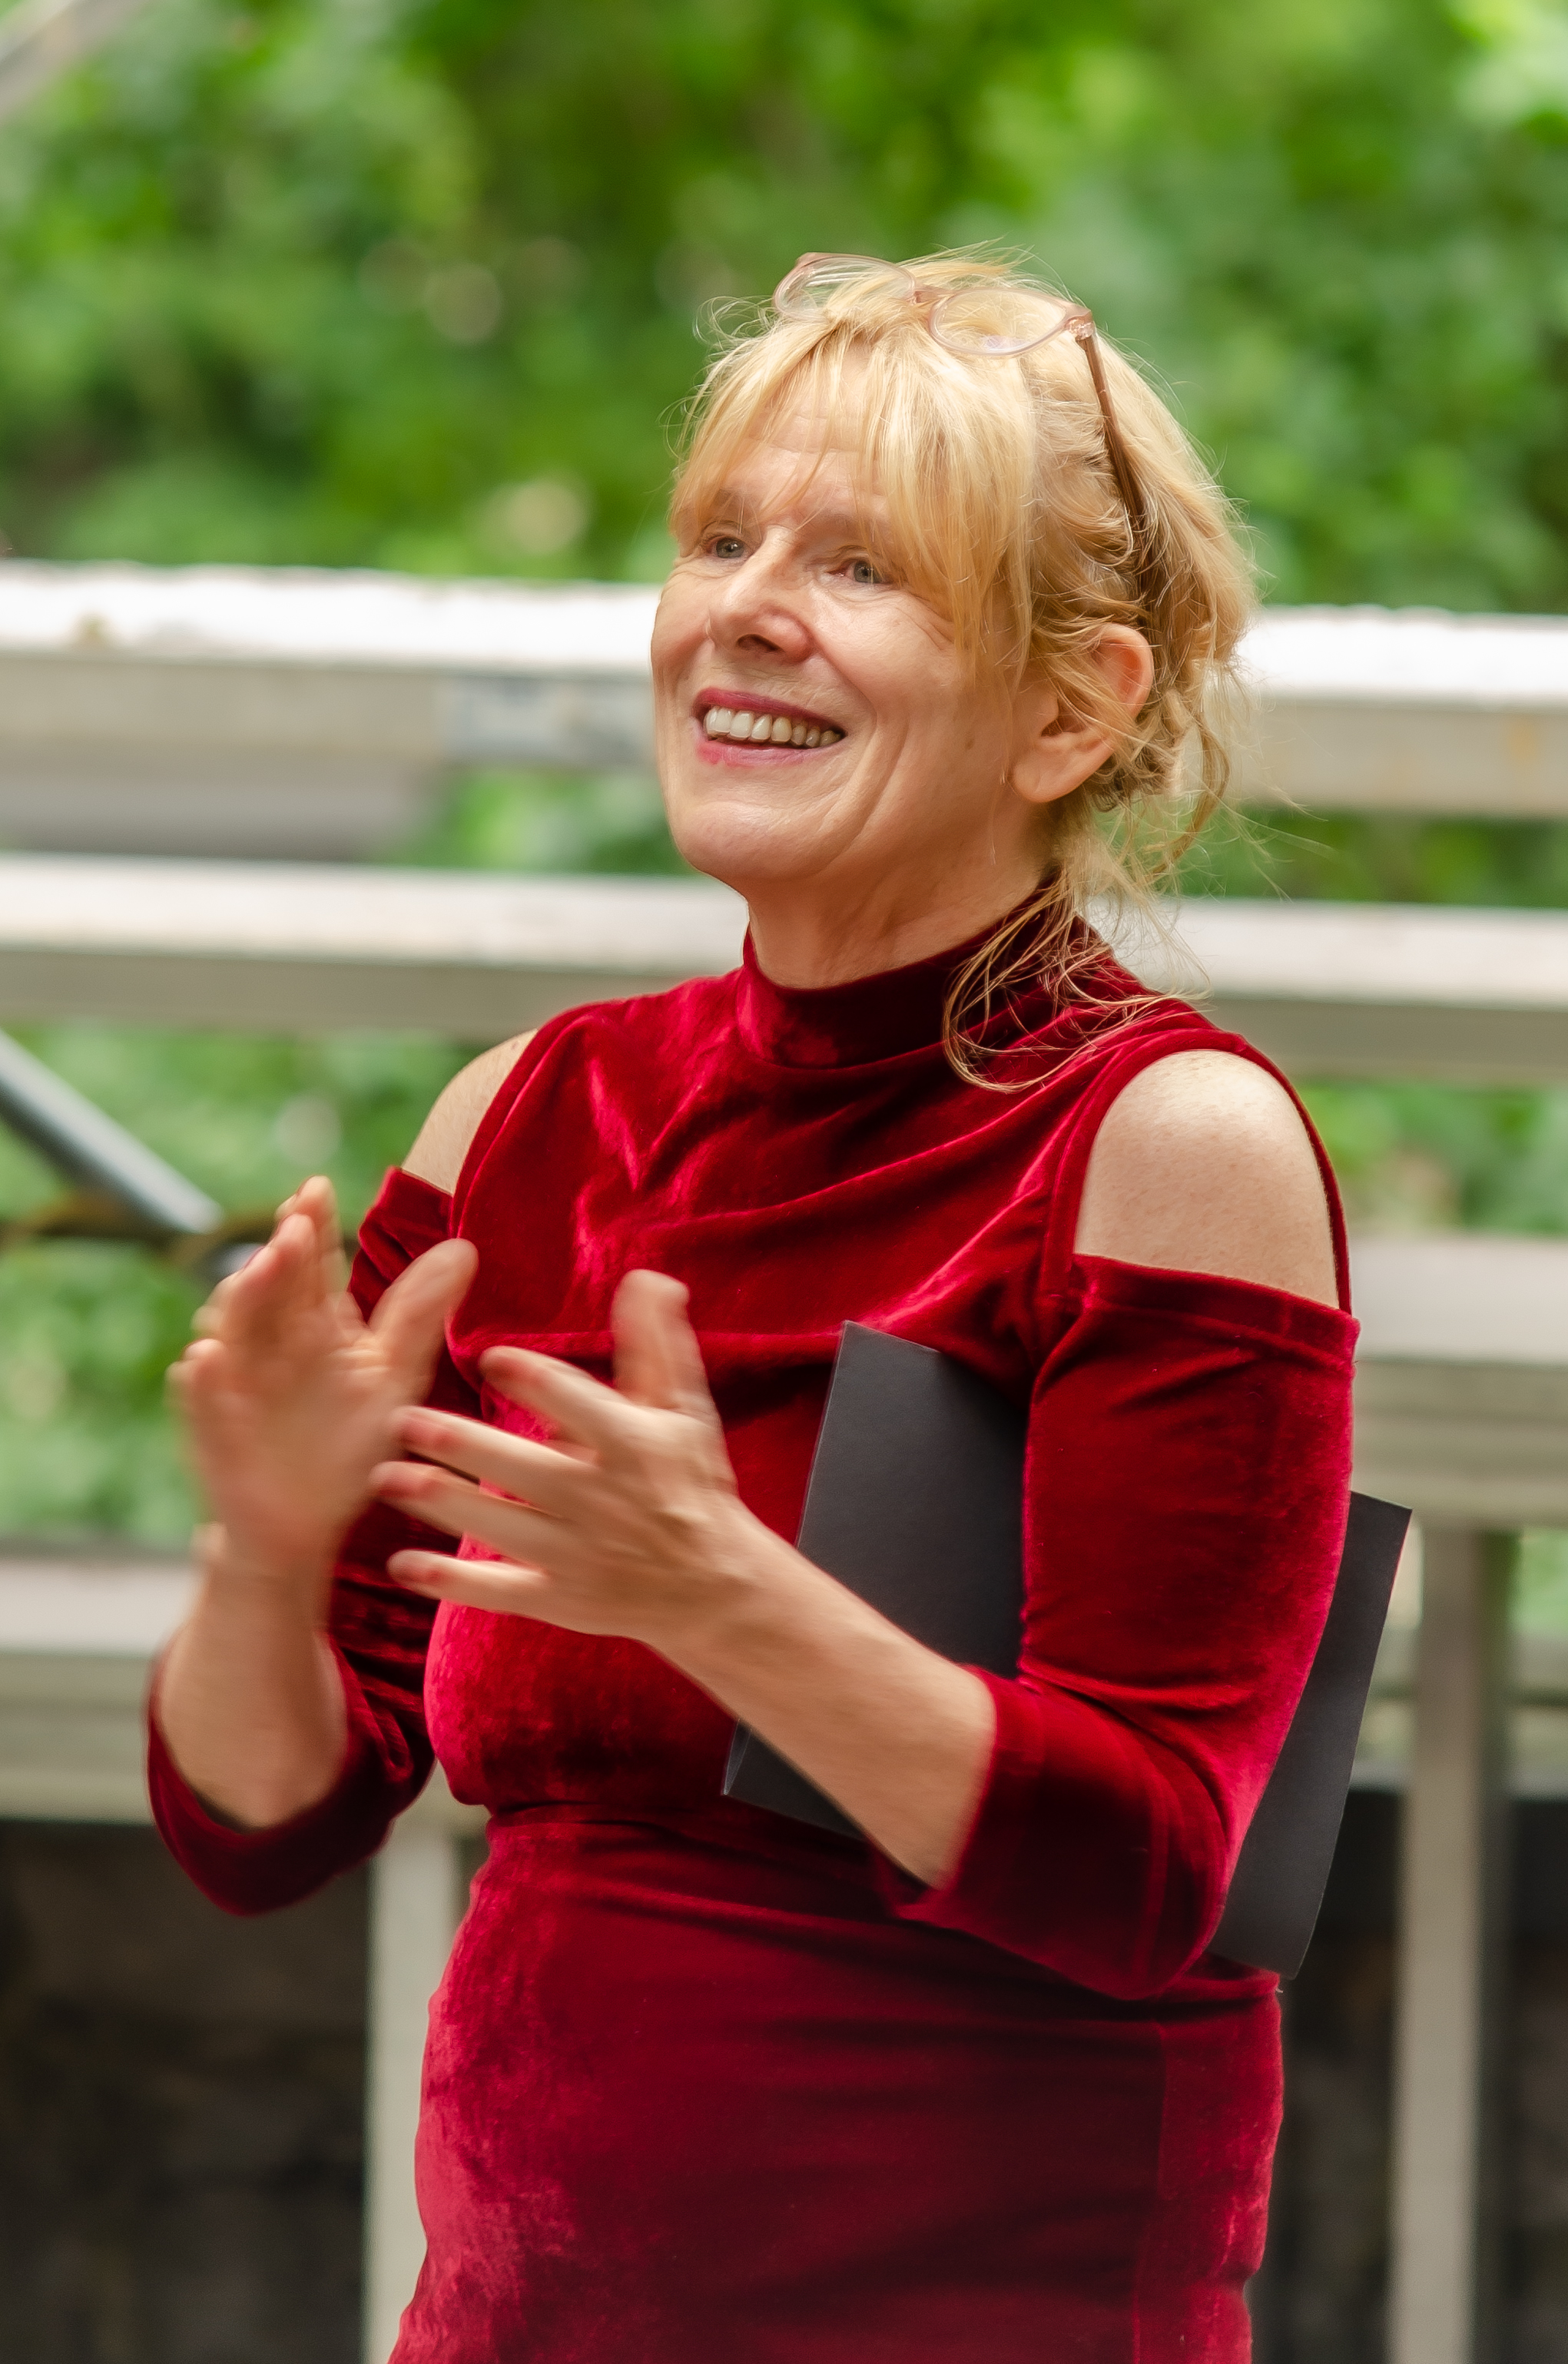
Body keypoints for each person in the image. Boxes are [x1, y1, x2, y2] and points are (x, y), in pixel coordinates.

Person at [148, 251, 1355, 2362]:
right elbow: (265, 1830)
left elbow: (1152, 1871)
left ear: (1068, 711)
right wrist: (262, 1553)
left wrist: (720, 1600)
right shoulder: (529, 1115)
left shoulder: (1169, 1141)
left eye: (861, 566)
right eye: (720, 540)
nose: (746, 609)